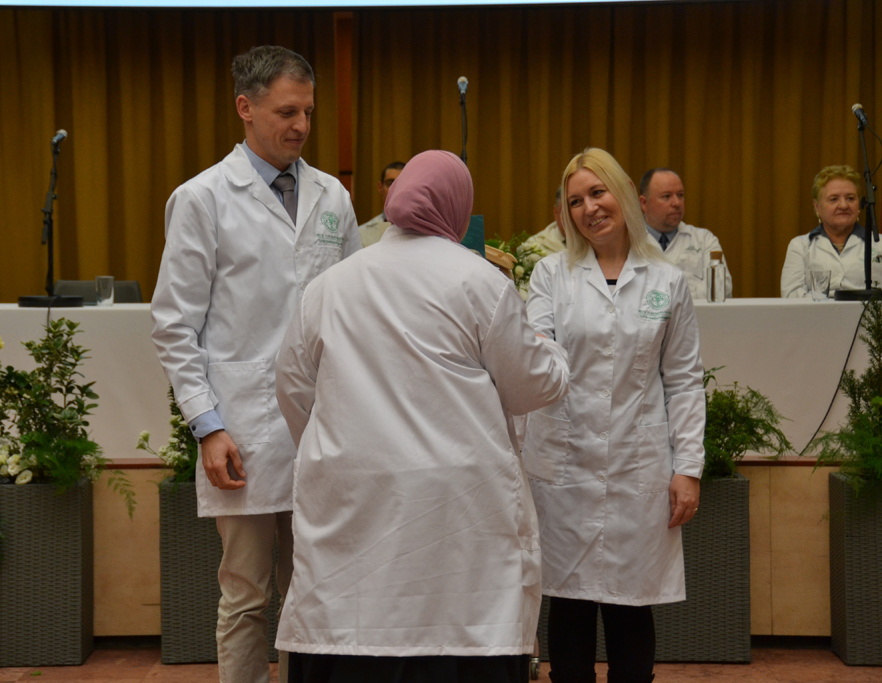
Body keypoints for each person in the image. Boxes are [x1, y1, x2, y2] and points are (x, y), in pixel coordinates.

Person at [275, 150, 571, 683]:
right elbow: (533, 385)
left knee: (349, 625)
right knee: (458, 623)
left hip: (353, 497)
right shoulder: (478, 281)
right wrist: (551, 348)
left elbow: (294, 390)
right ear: (457, 206)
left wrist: (339, 448)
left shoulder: (329, 285)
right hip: (457, 506)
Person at [150, 45, 359, 683]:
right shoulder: (202, 198)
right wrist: (208, 426)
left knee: (317, 590)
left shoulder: (332, 197)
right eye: (286, 112)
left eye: (308, 112)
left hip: (326, 426)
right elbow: (174, 325)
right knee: (246, 593)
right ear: (245, 108)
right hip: (241, 427)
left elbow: (356, 308)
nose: (301, 125)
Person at [524, 148, 705, 683]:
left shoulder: (667, 281)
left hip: (636, 463)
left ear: (623, 194)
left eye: (597, 193)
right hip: (566, 462)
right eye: (575, 201)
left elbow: (684, 380)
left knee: (632, 605)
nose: (589, 208)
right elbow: (536, 355)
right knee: (569, 602)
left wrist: (688, 468)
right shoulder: (550, 275)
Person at [781, 164, 882, 297]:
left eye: (850, 198)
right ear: (817, 206)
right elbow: (791, 295)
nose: (843, 205)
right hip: (817, 311)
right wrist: (829, 306)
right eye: (834, 199)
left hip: (870, 311)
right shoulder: (800, 246)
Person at [639, 168, 733, 300]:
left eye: (680, 195)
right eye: (666, 196)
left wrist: (662, 298)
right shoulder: (627, 241)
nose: (676, 203)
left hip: (699, 314)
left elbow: (721, 289)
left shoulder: (704, 240)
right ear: (644, 203)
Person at [358, 161, 405, 247]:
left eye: (402, 183)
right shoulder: (362, 235)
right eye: (390, 183)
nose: (395, 189)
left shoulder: (424, 232)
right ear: (380, 187)